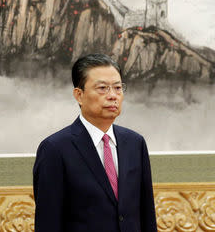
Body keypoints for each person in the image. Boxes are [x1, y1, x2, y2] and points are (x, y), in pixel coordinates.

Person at [33, 53, 157, 232]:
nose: (113, 95)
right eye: (102, 88)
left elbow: (146, 215)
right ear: (79, 95)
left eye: (117, 88)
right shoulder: (55, 149)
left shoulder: (135, 143)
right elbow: (48, 222)